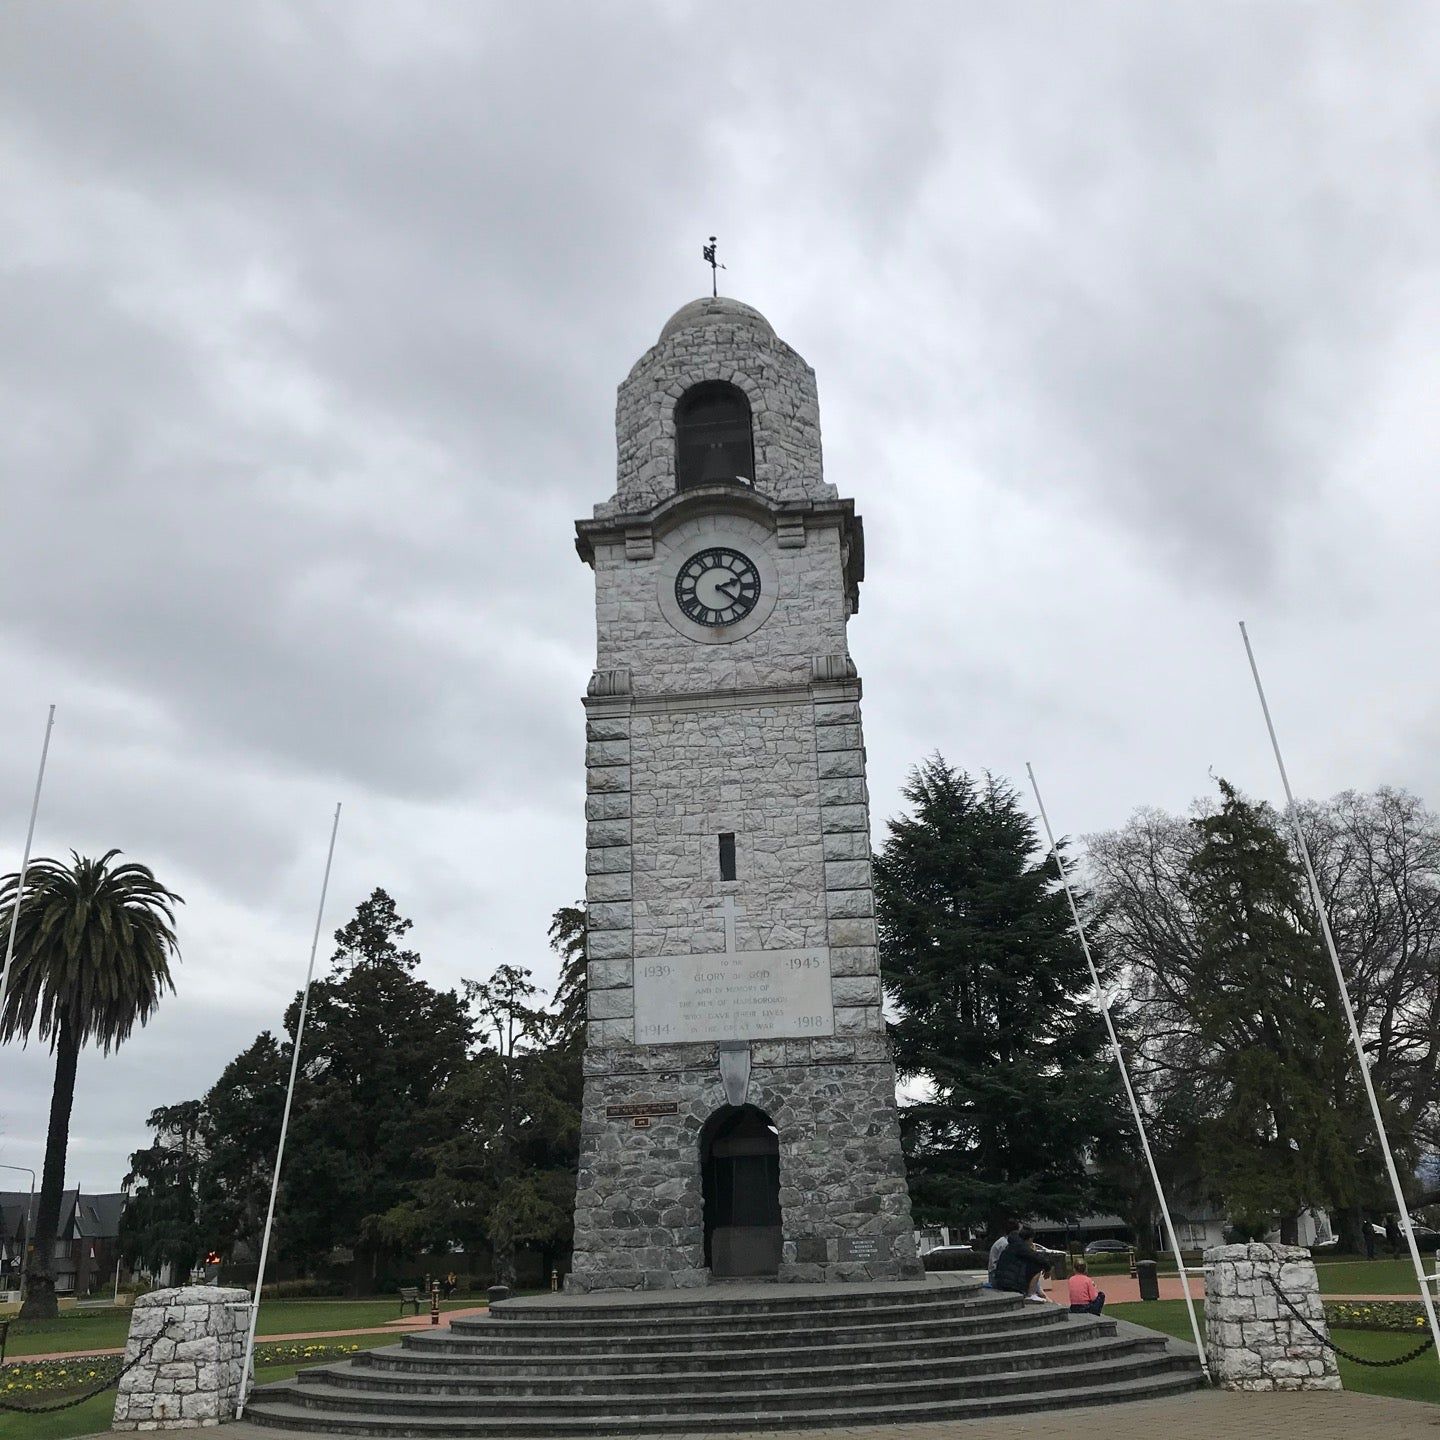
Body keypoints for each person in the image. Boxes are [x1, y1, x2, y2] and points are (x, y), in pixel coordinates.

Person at [993, 1224, 1052, 1303]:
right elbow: (1037, 1258)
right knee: (1037, 1266)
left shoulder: (1013, 1244)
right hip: (1010, 1283)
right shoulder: (1020, 1246)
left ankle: (1034, 1293)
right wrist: (1048, 1268)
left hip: (1002, 1279)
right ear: (1029, 1239)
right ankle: (1031, 1294)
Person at [986, 1221, 1018, 1289]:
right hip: (996, 1273)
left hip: (995, 1271)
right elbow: (1004, 1261)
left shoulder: (1002, 1241)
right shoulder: (1005, 1244)